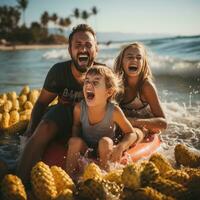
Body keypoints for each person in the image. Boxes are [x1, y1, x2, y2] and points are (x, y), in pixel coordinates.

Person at [17, 24, 100, 185]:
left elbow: (113, 109)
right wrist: (31, 130)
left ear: (96, 49)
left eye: (88, 45)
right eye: (78, 45)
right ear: (70, 50)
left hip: (89, 120)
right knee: (46, 125)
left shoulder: (103, 74)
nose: (83, 49)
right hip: (63, 114)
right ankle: (20, 182)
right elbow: (41, 103)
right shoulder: (59, 72)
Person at [66, 65, 144, 176]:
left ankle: (106, 176)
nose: (89, 84)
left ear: (109, 92)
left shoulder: (114, 111)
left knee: (105, 141)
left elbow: (130, 133)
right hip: (86, 148)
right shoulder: (79, 108)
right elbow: (76, 126)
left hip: (105, 149)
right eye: (87, 81)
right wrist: (74, 142)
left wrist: (120, 147)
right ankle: (71, 178)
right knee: (74, 141)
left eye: (96, 82)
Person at [114, 42, 167, 136]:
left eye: (139, 58)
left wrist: (133, 122)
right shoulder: (116, 84)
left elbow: (163, 123)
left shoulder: (146, 87)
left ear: (143, 63)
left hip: (144, 127)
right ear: (122, 61)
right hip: (124, 127)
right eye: (129, 57)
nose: (134, 60)